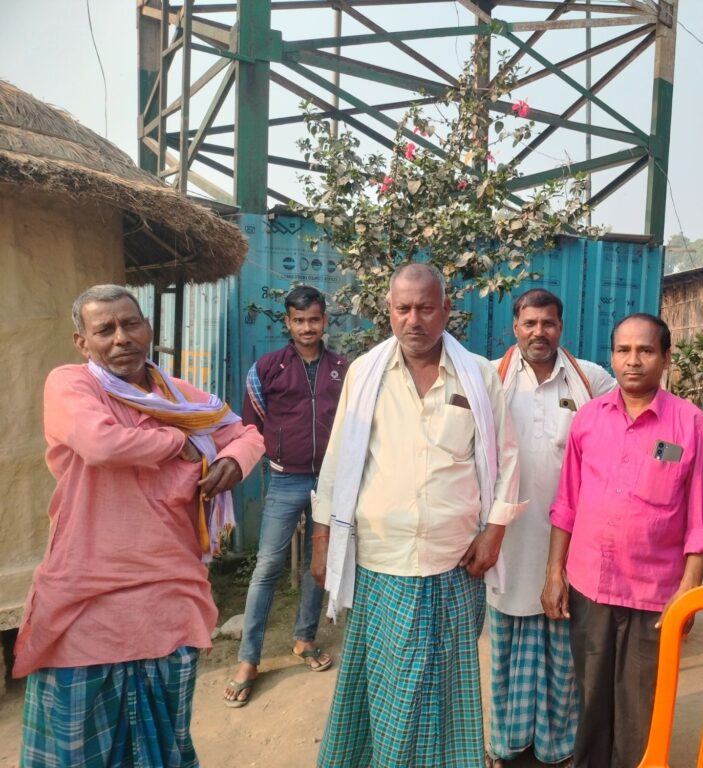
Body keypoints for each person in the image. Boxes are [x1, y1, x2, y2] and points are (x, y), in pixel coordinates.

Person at [14, 284, 264, 767]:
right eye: (104, 330)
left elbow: (246, 433)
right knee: (76, 749)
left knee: (165, 745)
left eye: (130, 324)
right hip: (87, 598)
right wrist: (179, 443)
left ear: (147, 328)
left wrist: (232, 459)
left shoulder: (180, 397)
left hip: (169, 594)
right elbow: (100, 444)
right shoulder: (71, 384)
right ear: (82, 342)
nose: (121, 338)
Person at [310, 263, 523, 767]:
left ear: (446, 309)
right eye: (403, 308)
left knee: (447, 684)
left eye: (426, 308)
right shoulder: (366, 374)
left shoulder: (478, 377)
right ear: (389, 311)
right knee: (388, 683)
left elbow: (507, 458)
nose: (414, 320)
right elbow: (338, 461)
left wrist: (494, 533)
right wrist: (322, 543)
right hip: (381, 563)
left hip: (455, 563)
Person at [542, 312, 703, 768]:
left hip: (654, 596)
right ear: (612, 356)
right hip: (591, 587)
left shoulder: (692, 426)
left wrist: (688, 592)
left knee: (641, 710)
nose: (633, 361)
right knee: (591, 701)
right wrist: (554, 573)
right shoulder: (588, 420)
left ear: (666, 357)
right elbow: (566, 503)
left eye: (645, 350)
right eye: (623, 350)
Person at [488, 288, 615, 767]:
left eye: (548, 323)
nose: (539, 332)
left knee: (564, 647)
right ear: (515, 327)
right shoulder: (491, 378)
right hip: (511, 539)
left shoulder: (591, 379)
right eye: (530, 323)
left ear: (561, 327)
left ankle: (558, 745)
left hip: (573, 537)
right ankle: (507, 743)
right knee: (507, 647)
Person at [223, 285, 348, 706]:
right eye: (299, 321)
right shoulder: (267, 368)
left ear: (324, 320)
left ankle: (304, 639)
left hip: (328, 482)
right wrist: (274, 455)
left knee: (318, 563)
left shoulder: (342, 369)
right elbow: (251, 424)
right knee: (267, 567)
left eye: (314, 319)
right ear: (288, 323)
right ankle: (248, 659)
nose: (307, 328)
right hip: (285, 481)